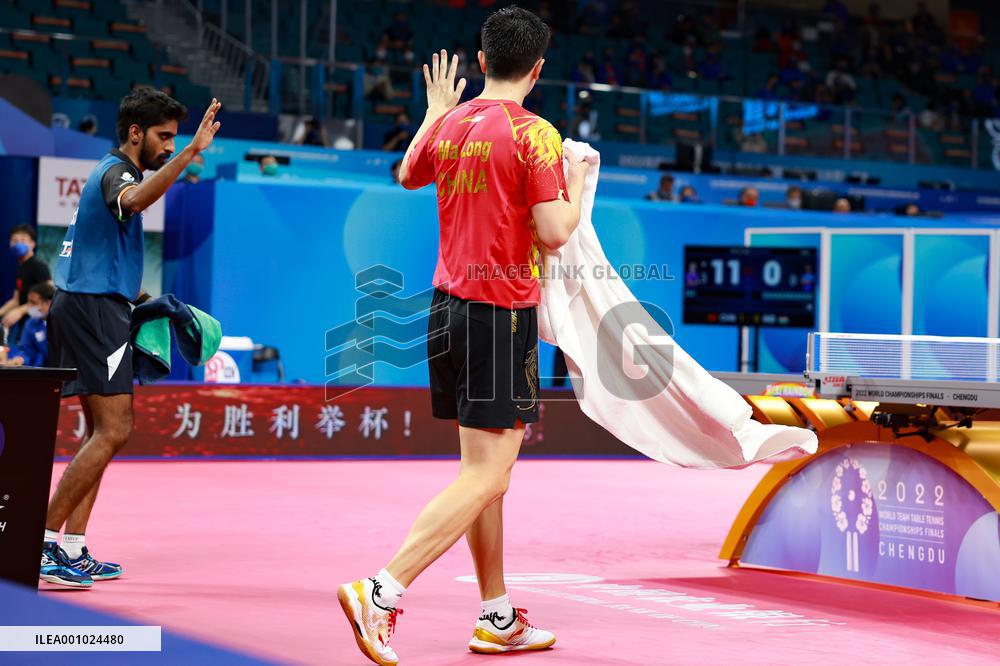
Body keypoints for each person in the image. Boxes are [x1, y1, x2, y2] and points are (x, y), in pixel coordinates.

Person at [338, 8, 590, 664]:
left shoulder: (451, 124)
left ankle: (496, 615)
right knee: (488, 475)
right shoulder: (536, 134)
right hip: (499, 317)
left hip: (446, 311)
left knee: (480, 475)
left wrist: (433, 111)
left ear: (481, 61)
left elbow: (407, 174)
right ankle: (380, 591)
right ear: (538, 68)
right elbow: (555, 231)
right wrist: (578, 180)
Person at [40, 89, 222, 589]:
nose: (170, 145)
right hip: (92, 310)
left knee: (99, 431)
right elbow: (136, 200)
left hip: (95, 305)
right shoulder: (118, 173)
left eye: (176, 138)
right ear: (135, 133)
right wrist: (193, 152)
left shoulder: (114, 172)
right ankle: (42, 541)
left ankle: (71, 547)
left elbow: (105, 254)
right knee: (116, 428)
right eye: (164, 136)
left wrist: (147, 299)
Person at [0, 224, 52, 342]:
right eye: (14, 240)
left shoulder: (39, 266)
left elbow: (49, 297)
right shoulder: (20, 269)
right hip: (24, 325)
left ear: (33, 244)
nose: (18, 244)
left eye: (23, 240)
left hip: (39, 327)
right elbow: (16, 300)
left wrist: (20, 311)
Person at [5, 281, 54, 367]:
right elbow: (27, 351)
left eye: (33, 303)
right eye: (28, 302)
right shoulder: (31, 324)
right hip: (48, 370)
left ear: (48, 303)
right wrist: (20, 359)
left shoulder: (64, 322)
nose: (28, 307)